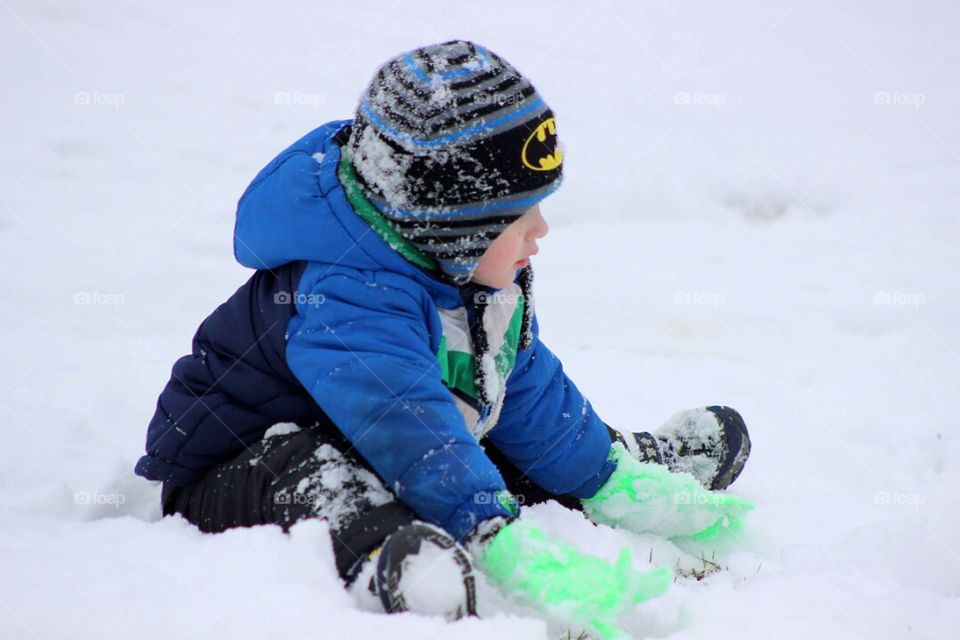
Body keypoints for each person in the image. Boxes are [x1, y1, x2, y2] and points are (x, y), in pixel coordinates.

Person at [135, 40, 752, 637]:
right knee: (321, 474)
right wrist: (493, 535)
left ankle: (630, 466)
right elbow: (408, 425)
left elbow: (521, 388)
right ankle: (402, 562)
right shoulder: (351, 294)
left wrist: (607, 477)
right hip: (239, 470)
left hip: (387, 440)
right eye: (516, 217)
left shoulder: (472, 273)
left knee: (505, 445)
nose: (541, 230)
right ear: (451, 227)